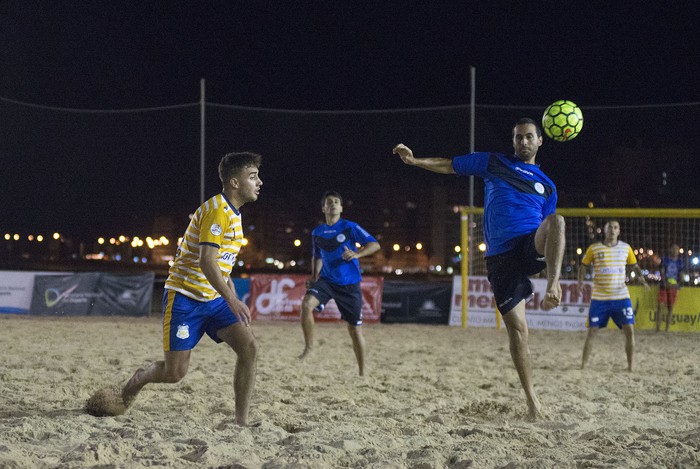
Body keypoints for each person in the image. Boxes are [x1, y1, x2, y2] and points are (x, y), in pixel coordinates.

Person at [393, 117, 565, 420]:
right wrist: (415, 160)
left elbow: (550, 231)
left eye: (528, 137)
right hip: (501, 258)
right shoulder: (494, 162)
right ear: (513, 142)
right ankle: (533, 403)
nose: (523, 142)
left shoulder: (548, 186)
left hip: (528, 247)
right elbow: (449, 165)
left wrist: (550, 274)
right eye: (518, 138)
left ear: (540, 141)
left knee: (557, 222)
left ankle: (553, 286)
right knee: (519, 331)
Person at [87, 152, 262, 425]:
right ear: (234, 182)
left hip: (214, 299)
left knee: (249, 348)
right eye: (253, 177)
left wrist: (232, 298)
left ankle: (241, 420)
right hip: (185, 298)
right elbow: (206, 262)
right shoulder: (217, 211)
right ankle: (139, 378)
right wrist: (233, 301)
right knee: (174, 374)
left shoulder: (234, 215)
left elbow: (222, 266)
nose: (259, 182)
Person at [299, 191, 380, 377]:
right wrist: (314, 276)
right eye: (329, 202)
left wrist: (357, 254)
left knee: (354, 329)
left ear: (341, 208)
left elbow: (374, 245)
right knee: (306, 304)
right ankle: (309, 347)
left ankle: (362, 372)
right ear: (324, 208)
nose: (333, 204)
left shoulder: (350, 227)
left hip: (349, 284)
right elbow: (317, 256)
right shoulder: (317, 232)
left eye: (337, 202)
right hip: (326, 281)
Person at [578, 220, 649, 372]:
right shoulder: (594, 248)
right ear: (604, 231)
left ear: (619, 231)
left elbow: (634, 266)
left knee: (629, 329)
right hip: (599, 297)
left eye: (615, 227)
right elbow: (583, 266)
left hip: (621, 297)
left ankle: (630, 367)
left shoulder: (626, 248)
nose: (612, 230)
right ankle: (583, 366)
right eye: (609, 227)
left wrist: (642, 280)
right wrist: (580, 283)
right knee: (592, 331)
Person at [657, 243, 683, 332]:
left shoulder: (680, 262)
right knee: (660, 306)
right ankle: (658, 329)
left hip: (673, 287)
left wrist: (678, 284)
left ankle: (667, 329)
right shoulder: (665, 260)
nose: (675, 250)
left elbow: (681, 275)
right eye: (673, 248)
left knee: (670, 307)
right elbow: (662, 272)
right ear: (670, 250)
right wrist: (665, 282)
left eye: (677, 249)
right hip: (663, 286)